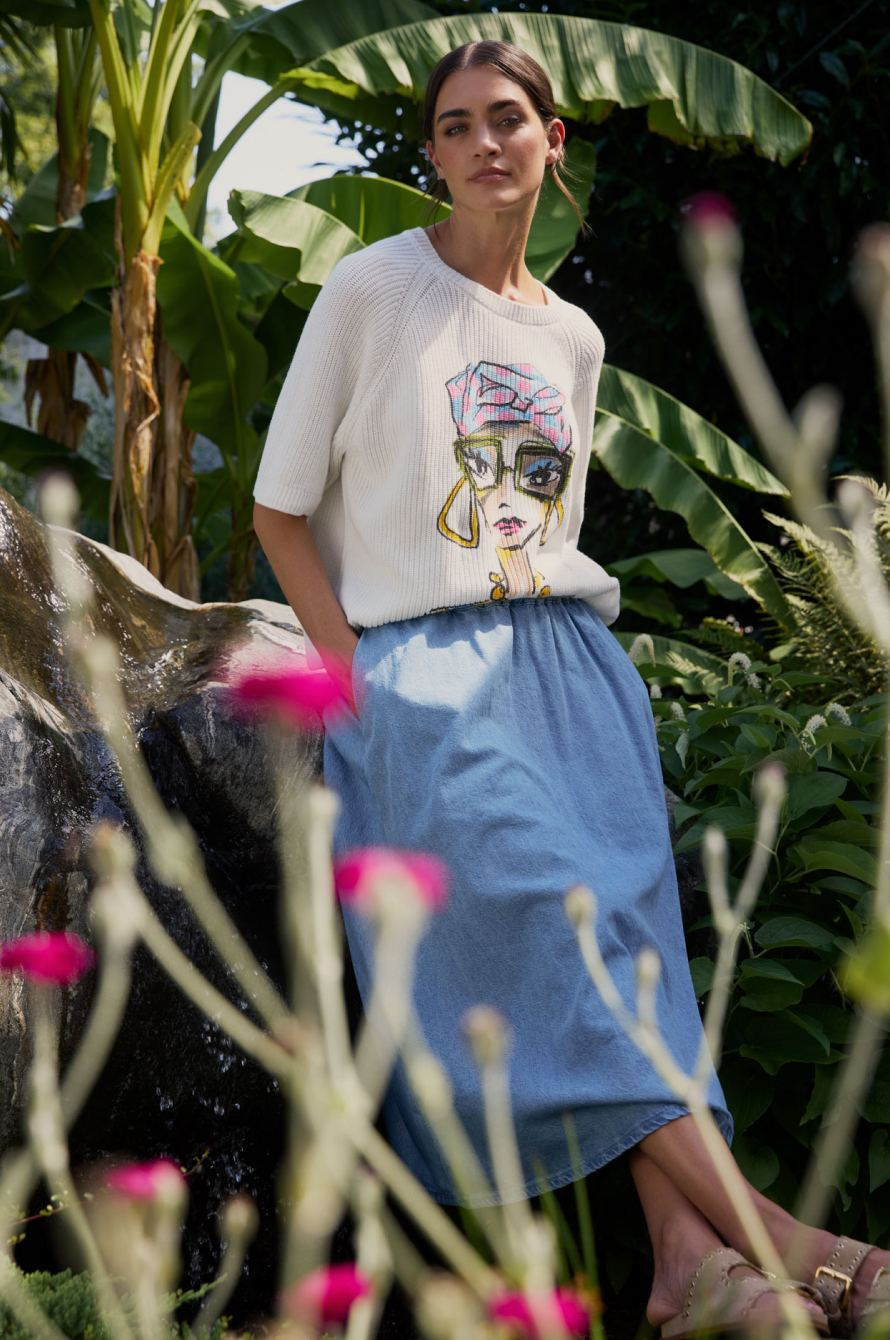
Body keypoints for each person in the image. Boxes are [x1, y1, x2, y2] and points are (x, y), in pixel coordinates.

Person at [252, 39, 889, 1338]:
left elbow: (543, 534)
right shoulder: (373, 288)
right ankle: (788, 1240)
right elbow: (278, 509)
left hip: (571, 674)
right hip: (423, 671)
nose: (483, 142)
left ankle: (685, 1268)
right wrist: (355, 678)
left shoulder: (571, 336)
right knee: (552, 927)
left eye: (507, 118)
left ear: (552, 140)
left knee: (630, 965)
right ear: (433, 154)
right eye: (454, 125)